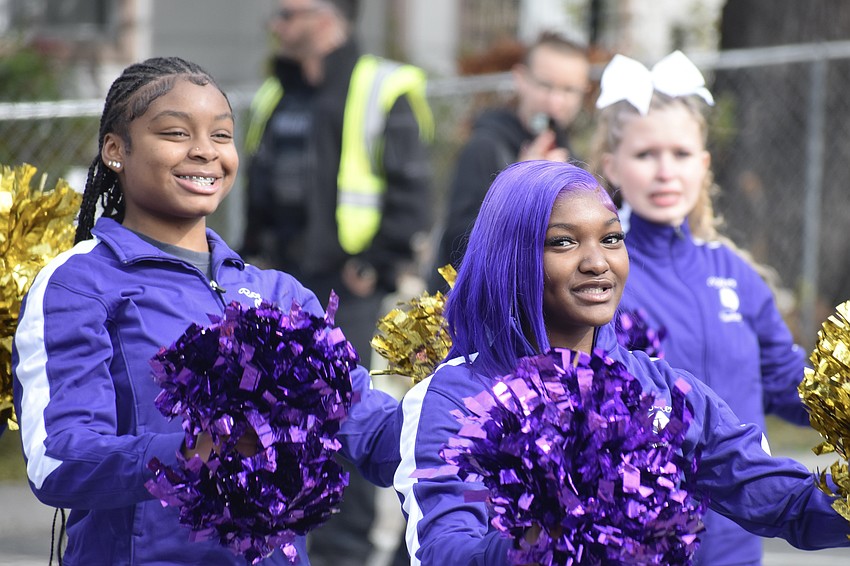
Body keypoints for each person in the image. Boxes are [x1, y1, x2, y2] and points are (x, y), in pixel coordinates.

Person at [11, 56, 400, 565]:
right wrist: (194, 453)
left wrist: (461, 408)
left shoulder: (281, 294)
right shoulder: (79, 283)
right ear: (115, 150)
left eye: (221, 136)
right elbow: (58, 460)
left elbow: (366, 428)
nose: (204, 152)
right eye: (175, 133)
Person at [393, 160, 850, 565]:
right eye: (563, 243)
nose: (598, 262)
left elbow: (785, 502)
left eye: (611, 238)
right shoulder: (456, 396)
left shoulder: (663, 391)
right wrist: (543, 534)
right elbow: (444, 550)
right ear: (511, 258)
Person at [590, 51, 812, 566]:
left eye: (682, 154)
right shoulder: (599, 276)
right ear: (611, 166)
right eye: (646, 155)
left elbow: (788, 383)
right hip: (635, 540)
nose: (666, 171)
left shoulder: (737, 276)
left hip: (738, 539)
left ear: (704, 164)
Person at [241, 1, 432, 563]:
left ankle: (341, 557)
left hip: (348, 292)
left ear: (328, 21)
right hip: (281, 291)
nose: (276, 24)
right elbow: (258, 183)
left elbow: (411, 190)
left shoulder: (381, 85)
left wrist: (375, 262)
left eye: (290, 13)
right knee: (271, 423)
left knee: (341, 423)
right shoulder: (279, 93)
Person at [431, 31, 589, 285]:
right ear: (521, 79)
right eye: (545, 86)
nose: (555, 101)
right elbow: (460, 243)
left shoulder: (573, 158)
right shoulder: (486, 146)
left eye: (569, 90)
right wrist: (523, 185)